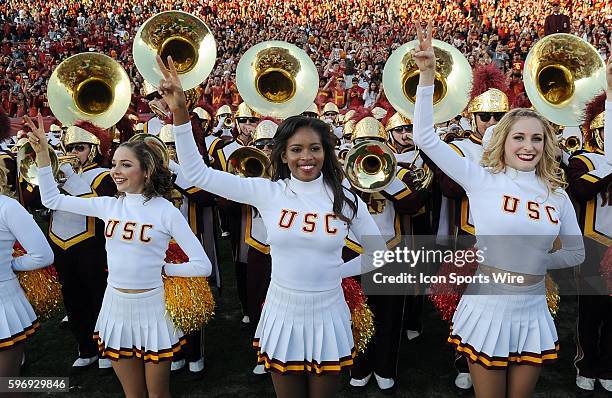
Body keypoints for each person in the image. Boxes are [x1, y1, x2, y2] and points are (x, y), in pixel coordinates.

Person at [160, 55, 385, 398]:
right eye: (295, 149)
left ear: (327, 152)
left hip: (329, 311)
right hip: (283, 311)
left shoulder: (346, 197)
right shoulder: (268, 192)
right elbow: (197, 175)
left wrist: (337, 273)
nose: (305, 157)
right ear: (282, 155)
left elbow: (379, 255)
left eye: (314, 148)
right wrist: (180, 114)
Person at [412, 22, 584, 398]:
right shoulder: (481, 179)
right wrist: (427, 76)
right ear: (503, 142)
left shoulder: (555, 192)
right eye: (519, 137)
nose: (528, 146)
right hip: (486, 307)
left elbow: (576, 252)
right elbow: (424, 138)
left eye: (536, 138)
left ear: (546, 145)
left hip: (533, 310)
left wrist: (536, 262)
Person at [26, 114, 212, 398]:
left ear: (146, 171)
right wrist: (41, 155)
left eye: (126, 165)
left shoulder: (166, 211)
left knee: (158, 394)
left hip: (152, 307)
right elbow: (51, 200)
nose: (116, 171)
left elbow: (203, 265)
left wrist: (165, 270)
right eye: (114, 164)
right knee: (132, 394)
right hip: (115, 307)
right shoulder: (109, 206)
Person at [0, 165, 53, 377]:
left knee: (7, 386)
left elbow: (43, 255)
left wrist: (10, 265)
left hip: (3, 306)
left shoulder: (7, 207)